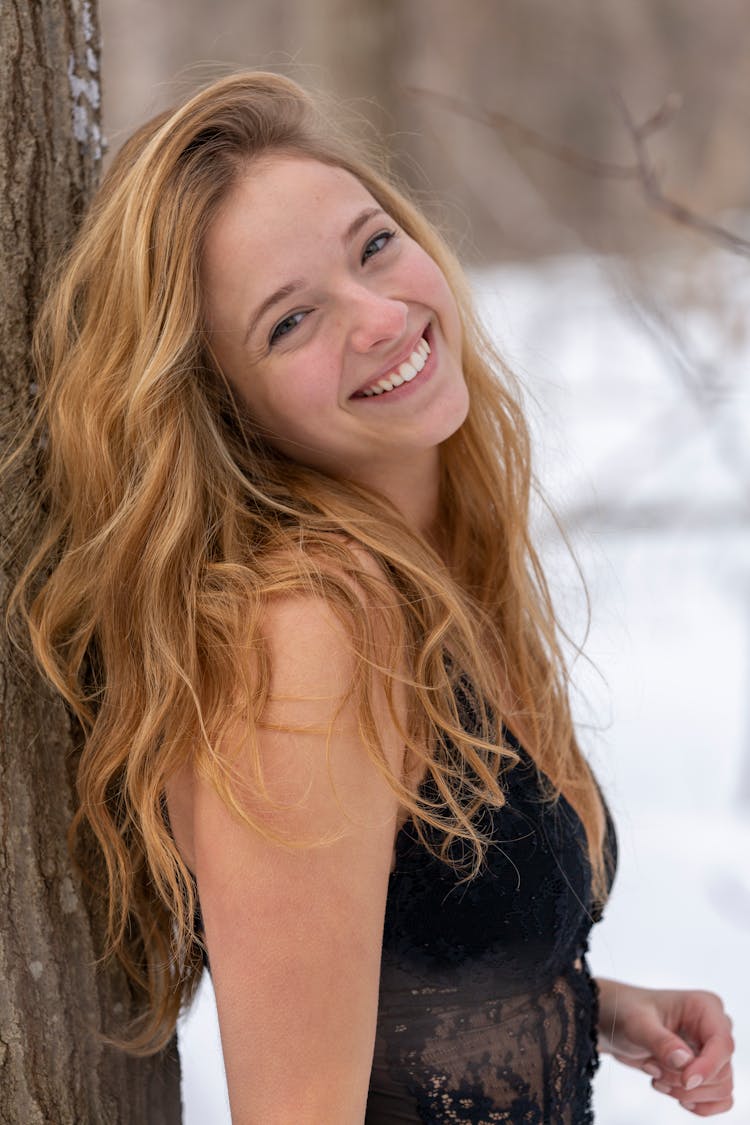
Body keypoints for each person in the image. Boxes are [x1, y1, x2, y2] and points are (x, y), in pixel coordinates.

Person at [12, 72, 733, 1123]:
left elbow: (407, 940)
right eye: (291, 320)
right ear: (226, 409)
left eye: (374, 246)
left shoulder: (426, 572)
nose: (380, 314)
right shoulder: (303, 640)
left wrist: (576, 1001)